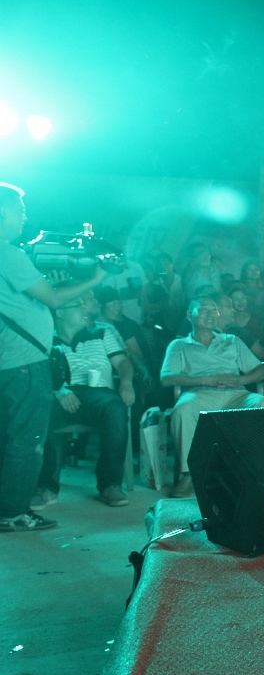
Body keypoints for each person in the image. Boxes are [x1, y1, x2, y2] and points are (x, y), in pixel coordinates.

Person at [0, 184, 108, 532]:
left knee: (10, 438)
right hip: (24, 363)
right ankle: (13, 513)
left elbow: (25, 298)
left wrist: (49, 282)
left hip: (11, 361)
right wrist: (95, 278)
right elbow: (54, 300)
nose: (25, 217)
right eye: (20, 210)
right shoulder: (8, 253)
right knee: (25, 441)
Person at [161, 296, 264, 497]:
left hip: (235, 394)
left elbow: (261, 371)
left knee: (263, 403)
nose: (211, 314)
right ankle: (189, 474)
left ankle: (258, 472)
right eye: (204, 309)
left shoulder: (232, 341)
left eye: (214, 310)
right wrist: (207, 380)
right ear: (189, 315)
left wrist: (241, 380)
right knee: (182, 410)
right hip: (199, 394)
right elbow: (166, 378)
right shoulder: (179, 345)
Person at [34, 292, 136, 508]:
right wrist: (58, 390)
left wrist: (126, 382)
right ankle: (46, 486)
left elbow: (122, 362)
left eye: (84, 304)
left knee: (115, 408)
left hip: (99, 394)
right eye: (77, 305)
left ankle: (110, 485)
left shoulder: (101, 333)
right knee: (40, 413)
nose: (84, 309)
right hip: (64, 394)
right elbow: (39, 374)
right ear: (60, 312)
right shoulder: (46, 339)